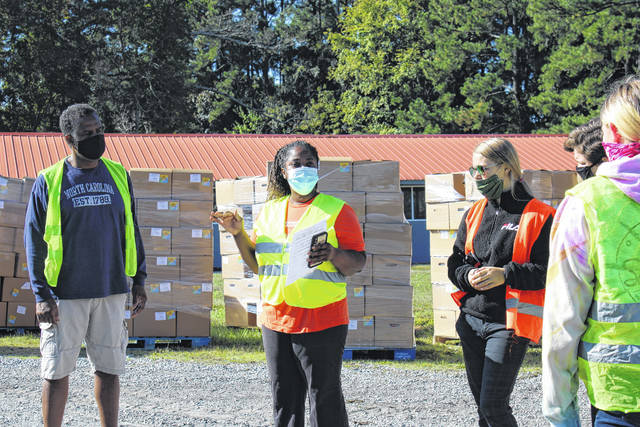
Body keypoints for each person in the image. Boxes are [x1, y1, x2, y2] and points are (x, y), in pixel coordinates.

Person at [211, 140, 366, 427]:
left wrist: (332, 253)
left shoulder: (338, 211)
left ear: (318, 169)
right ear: (283, 171)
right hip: (276, 319)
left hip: (322, 318)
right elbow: (259, 265)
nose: (304, 169)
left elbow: (357, 263)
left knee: (324, 397)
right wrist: (237, 233)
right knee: (284, 398)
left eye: (310, 163)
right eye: (297, 164)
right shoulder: (269, 212)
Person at [24, 104, 147, 427]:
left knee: (109, 370)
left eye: (98, 131)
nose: (96, 138)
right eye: (87, 134)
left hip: (111, 290)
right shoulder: (49, 181)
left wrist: (139, 281)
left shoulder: (118, 174)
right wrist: (41, 295)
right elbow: (34, 240)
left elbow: (132, 229)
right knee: (55, 372)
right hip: (65, 295)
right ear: (68, 139)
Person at [542, 76, 640, 426]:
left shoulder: (588, 204)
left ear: (612, 133)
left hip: (621, 395)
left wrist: (560, 411)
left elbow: (562, 320)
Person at [447, 137, 555, 426]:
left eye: (483, 170)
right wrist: (467, 276)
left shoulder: (540, 215)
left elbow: (548, 270)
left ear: (507, 168)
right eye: (473, 171)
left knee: (493, 407)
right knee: (484, 411)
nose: (478, 177)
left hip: (508, 324)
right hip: (471, 320)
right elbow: (456, 261)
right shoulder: (474, 213)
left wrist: (505, 274)